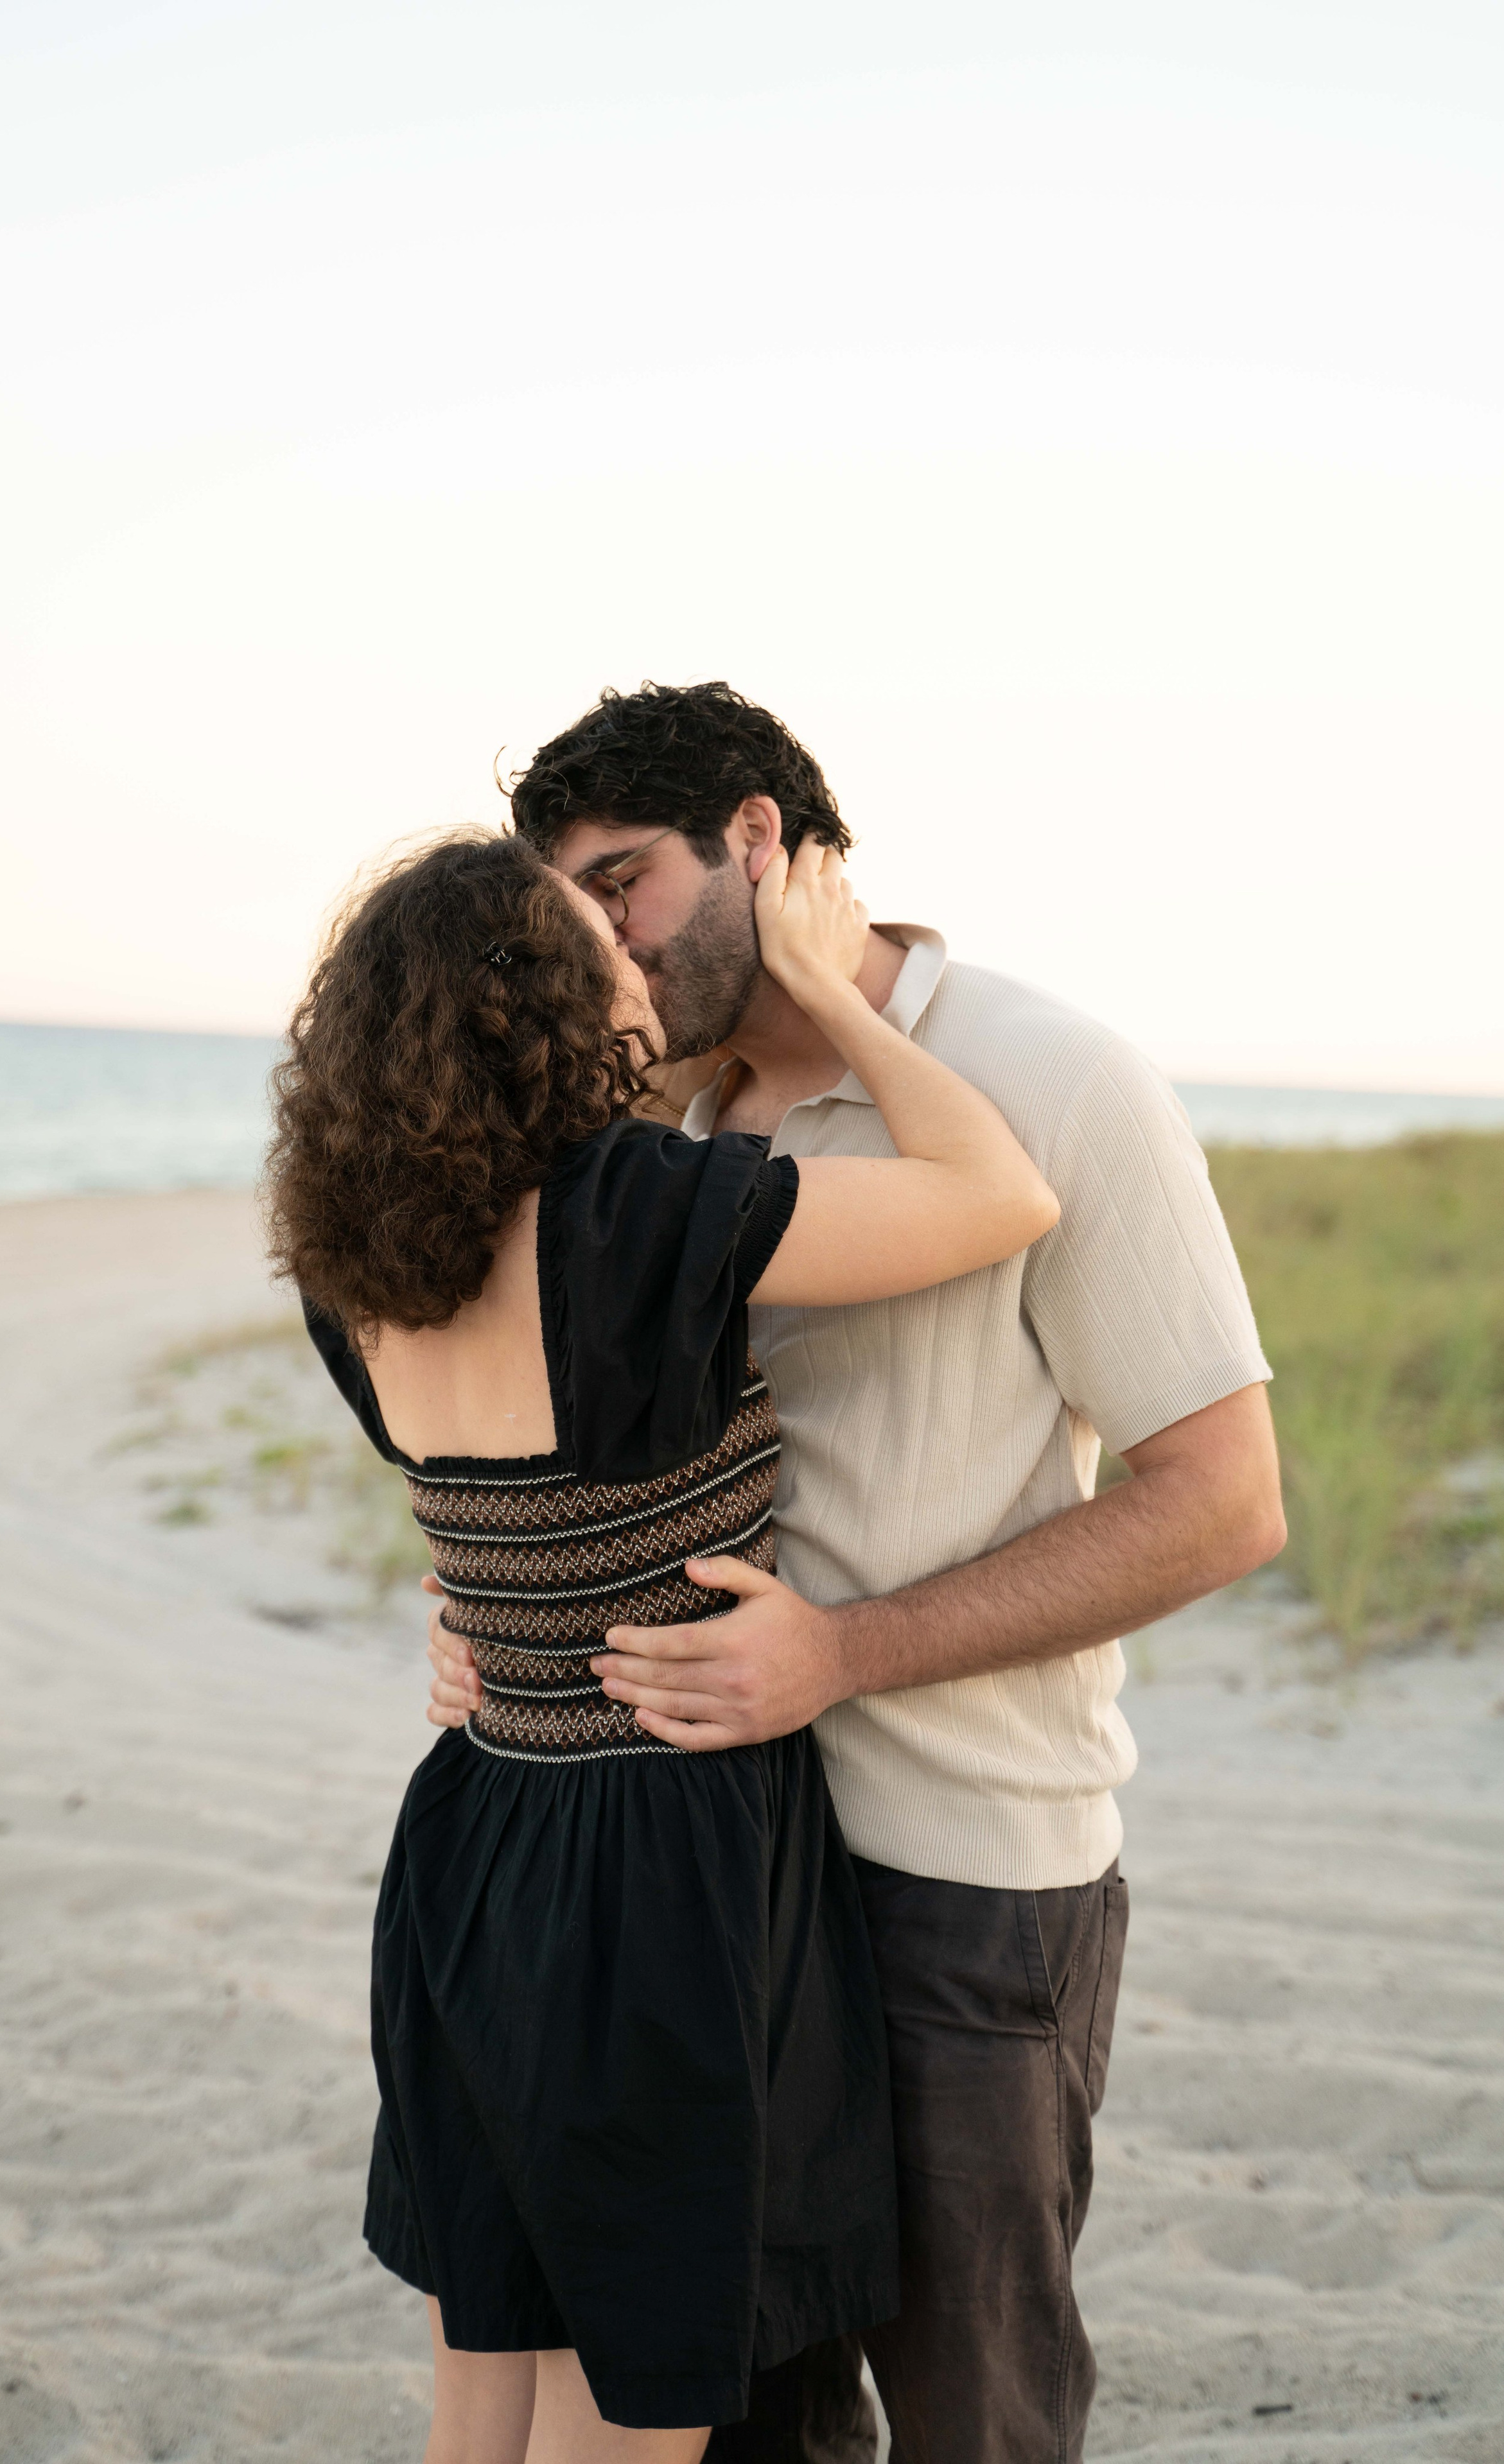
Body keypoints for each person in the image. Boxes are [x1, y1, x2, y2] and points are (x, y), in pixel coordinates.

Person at [428, 682, 1288, 2464]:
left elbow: (1220, 1502)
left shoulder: (1052, 1078)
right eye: (565, 906)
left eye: (622, 885)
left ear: (759, 839)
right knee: (735, 2423)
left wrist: (847, 1651)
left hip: (955, 1877)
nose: (594, 942)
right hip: (690, 1877)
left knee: (977, 2413)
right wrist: (482, 1624)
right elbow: (539, 1418)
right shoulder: (639, 1113)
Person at [263, 826, 1060, 2463]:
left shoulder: (358, 1265)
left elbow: (490, 1526)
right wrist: (840, 1000)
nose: (635, 970)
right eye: (598, 952)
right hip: (652, 1864)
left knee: (484, 2378)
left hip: (473, 1838)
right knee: (628, 2406)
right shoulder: (629, 1214)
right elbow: (1002, 1193)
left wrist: (482, 1623)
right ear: (539, 1003)